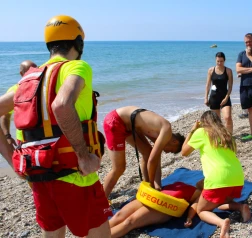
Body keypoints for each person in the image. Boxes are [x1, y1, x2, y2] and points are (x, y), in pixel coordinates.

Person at [0, 15, 112, 237]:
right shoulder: (77, 67)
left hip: (40, 177)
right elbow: (61, 105)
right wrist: (83, 155)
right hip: (76, 176)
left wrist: (13, 160)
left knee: (52, 234)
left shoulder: (26, 80)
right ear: (78, 42)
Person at [181, 111, 251, 238]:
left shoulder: (201, 132)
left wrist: (192, 130)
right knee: (218, 202)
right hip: (237, 178)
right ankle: (241, 207)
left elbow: (184, 152)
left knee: (201, 210)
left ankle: (222, 222)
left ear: (203, 123)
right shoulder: (227, 135)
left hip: (218, 179)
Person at [102, 106, 185, 197]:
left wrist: (158, 185)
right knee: (119, 168)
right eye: (170, 151)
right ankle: (101, 199)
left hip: (129, 127)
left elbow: (155, 157)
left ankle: (146, 184)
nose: (166, 152)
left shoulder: (160, 131)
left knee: (147, 152)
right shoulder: (166, 129)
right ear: (175, 142)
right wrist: (152, 186)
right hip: (115, 121)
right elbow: (152, 160)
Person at [109, 181, 202, 238]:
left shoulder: (200, 193)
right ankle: (96, 233)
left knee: (129, 222)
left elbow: (195, 205)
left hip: (164, 207)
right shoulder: (182, 183)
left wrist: (189, 218)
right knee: (118, 215)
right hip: (150, 197)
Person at [0, 60, 37, 149]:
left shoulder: (42, 86)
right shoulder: (15, 90)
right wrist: (7, 136)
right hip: (24, 139)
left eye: (35, 70)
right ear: (21, 73)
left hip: (45, 136)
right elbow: (5, 116)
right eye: (29, 71)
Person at [204, 52, 234, 133]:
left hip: (225, 97)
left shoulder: (228, 71)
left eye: (221, 61)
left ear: (224, 60)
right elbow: (208, 85)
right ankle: (220, 136)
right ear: (215, 60)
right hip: (214, 97)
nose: (219, 63)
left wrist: (226, 98)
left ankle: (230, 136)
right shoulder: (210, 70)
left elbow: (230, 87)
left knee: (227, 117)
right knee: (216, 120)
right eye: (218, 61)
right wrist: (206, 98)